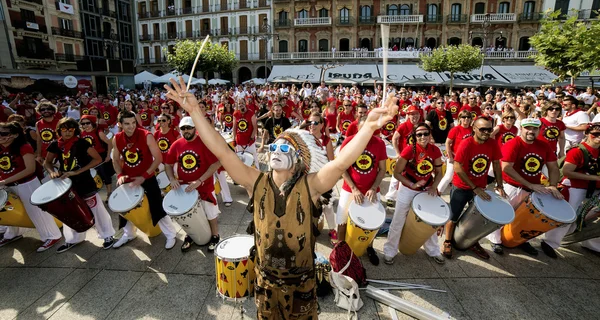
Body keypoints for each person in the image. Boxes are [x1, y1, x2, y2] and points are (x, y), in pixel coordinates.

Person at [164, 77, 396, 319]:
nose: (275, 151)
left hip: (302, 286)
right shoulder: (255, 181)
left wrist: (368, 128)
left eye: (284, 149)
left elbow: (340, 163)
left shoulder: (311, 185)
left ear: (297, 159)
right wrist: (194, 112)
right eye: (274, 147)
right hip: (265, 283)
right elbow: (222, 150)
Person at [487, 118, 562, 256]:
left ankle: (520, 241)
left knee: (525, 218)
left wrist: (553, 186)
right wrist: (530, 184)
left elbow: (553, 167)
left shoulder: (544, 146)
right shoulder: (513, 143)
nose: (531, 131)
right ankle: (495, 240)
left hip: (533, 189)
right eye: (527, 128)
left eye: (534, 129)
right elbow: (506, 168)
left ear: (539, 130)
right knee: (501, 214)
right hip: (512, 187)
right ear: (521, 128)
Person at [44, 118, 116, 252]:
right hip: (66, 184)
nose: (67, 133)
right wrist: (52, 172)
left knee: (96, 208)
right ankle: (73, 239)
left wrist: (77, 172)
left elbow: (97, 159)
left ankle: (107, 235)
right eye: (64, 129)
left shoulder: (82, 143)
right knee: (70, 211)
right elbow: (47, 162)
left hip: (84, 182)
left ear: (75, 130)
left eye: (70, 129)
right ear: (59, 130)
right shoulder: (55, 145)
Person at [111, 111, 177, 249]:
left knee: (157, 206)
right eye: (127, 124)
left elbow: (158, 158)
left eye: (133, 123)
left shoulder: (146, 136)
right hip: (128, 179)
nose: (131, 127)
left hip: (147, 177)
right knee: (126, 209)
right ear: (120, 124)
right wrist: (119, 175)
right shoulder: (117, 138)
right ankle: (128, 234)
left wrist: (144, 176)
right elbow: (116, 159)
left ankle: (171, 235)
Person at [383, 123, 445, 265]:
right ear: (415, 137)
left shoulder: (435, 150)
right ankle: (390, 250)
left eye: (425, 134)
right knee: (398, 219)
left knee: (431, 221)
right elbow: (396, 173)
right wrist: (412, 184)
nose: (423, 137)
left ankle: (433, 250)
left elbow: (439, 173)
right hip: (408, 188)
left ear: (430, 135)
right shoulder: (409, 150)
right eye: (419, 134)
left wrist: (434, 186)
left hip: (426, 189)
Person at [442, 117, 503, 260]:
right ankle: (447, 241)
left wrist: (499, 185)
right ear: (474, 128)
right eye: (483, 129)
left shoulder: (492, 144)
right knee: (454, 216)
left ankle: (473, 242)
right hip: (462, 187)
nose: (486, 132)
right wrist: (474, 187)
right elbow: (457, 167)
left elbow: (496, 164)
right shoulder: (467, 143)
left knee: (477, 219)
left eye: (489, 129)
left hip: (480, 186)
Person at [0, 121, 62, 251]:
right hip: (8, 184)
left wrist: (5, 181)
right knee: (10, 209)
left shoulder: (24, 147)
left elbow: (30, 169)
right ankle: (13, 233)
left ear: (15, 135)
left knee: (36, 211)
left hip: (26, 184)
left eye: (4, 133)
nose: (0, 136)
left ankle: (52, 235)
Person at [541, 123, 600, 258]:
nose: (599, 137)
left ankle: (589, 243)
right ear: (587, 134)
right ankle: (550, 242)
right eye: (595, 134)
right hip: (576, 188)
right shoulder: (577, 151)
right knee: (568, 216)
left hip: (594, 190)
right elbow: (568, 171)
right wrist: (594, 177)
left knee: (586, 218)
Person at [335, 115, 387, 265]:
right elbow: (342, 167)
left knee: (373, 221)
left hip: (371, 189)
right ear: (358, 128)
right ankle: (340, 248)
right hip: (350, 188)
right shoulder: (349, 141)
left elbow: (382, 169)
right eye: (363, 127)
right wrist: (354, 189)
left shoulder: (379, 143)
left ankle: (369, 247)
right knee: (342, 219)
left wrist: (373, 188)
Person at [165, 117, 222, 252]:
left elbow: (216, 163)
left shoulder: (204, 142)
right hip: (185, 188)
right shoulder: (176, 144)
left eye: (189, 127)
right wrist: (172, 179)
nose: (186, 131)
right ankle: (191, 236)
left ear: (195, 128)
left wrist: (200, 181)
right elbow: (168, 164)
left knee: (210, 212)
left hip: (204, 186)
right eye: (183, 128)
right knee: (187, 214)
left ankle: (215, 236)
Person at [437, 110, 473, 194]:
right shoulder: (455, 130)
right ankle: (437, 192)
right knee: (448, 177)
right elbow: (447, 143)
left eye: (468, 117)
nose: (466, 119)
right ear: (459, 118)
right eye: (463, 117)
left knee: (466, 178)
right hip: (455, 157)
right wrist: (450, 157)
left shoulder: (473, 130)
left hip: (467, 159)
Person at [80, 114, 115, 198]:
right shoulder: (81, 134)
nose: (85, 125)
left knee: (105, 174)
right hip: (89, 157)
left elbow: (109, 143)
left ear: (92, 123)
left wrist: (108, 156)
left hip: (101, 156)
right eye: (83, 124)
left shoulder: (98, 132)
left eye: (87, 123)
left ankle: (109, 193)